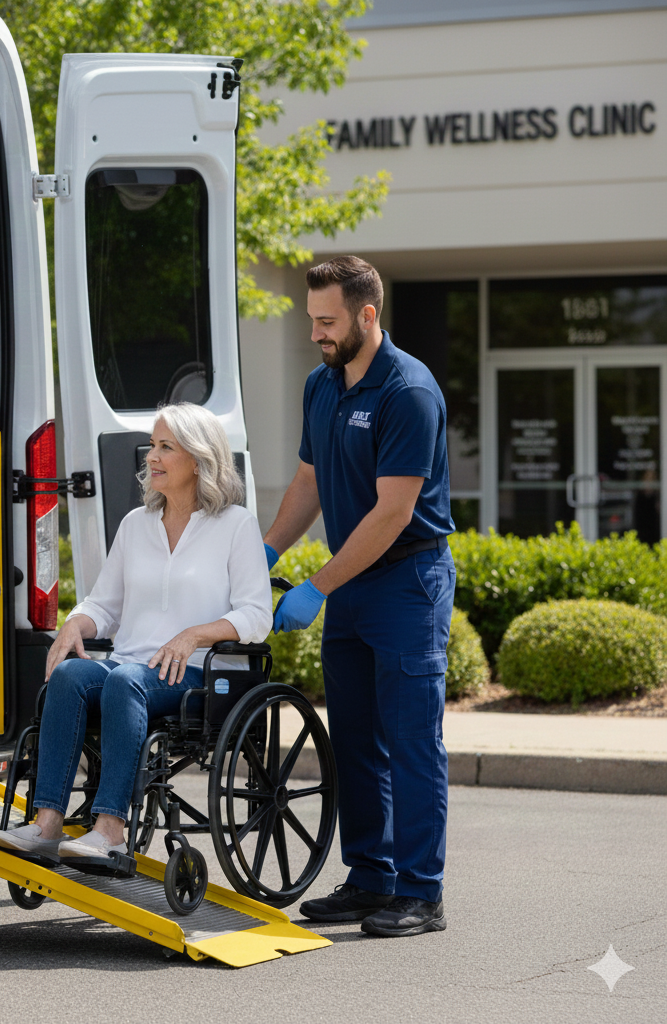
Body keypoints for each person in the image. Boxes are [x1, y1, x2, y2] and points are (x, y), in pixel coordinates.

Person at [264, 256, 456, 938]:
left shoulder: (408, 391)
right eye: (311, 319)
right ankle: (371, 878)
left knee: (410, 742)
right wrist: (265, 552)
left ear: (367, 316)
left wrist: (317, 586)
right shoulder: (323, 385)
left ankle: (421, 892)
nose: (316, 332)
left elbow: (392, 513)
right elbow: (308, 485)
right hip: (349, 582)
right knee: (353, 740)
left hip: (406, 581)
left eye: (327, 321)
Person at [0, 402, 271, 864]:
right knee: (71, 675)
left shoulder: (235, 525)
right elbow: (103, 605)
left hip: (197, 676)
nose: (152, 457)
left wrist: (193, 635)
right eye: (152, 446)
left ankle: (110, 830)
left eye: (166, 447)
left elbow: (257, 614)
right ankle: (46, 824)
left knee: (124, 681)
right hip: (133, 667)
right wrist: (73, 625)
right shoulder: (135, 525)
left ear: (200, 458)